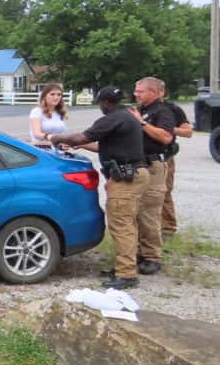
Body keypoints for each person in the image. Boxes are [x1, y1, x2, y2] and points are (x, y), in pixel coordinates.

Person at [50, 87, 148, 289]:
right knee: (128, 224)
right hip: (135, 174)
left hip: (126, 179)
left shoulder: (111, 119)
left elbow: (81, 137)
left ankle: (127, 274)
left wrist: (57, 138)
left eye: (100, 103)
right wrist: (81, 146)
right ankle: (125, 266)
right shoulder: (126, 117)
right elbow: (104, 145)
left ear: (105, 102)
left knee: (121, 226)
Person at [129, 77, 175, 276]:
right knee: (137, 211)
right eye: (136, 91)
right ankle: (140, 252)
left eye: (140, 91)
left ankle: (152, 257)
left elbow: (166, 137)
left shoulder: (162, 111)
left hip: (154, 166)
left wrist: (140, 123)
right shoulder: (144, 110)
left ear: (155, 92)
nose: (136, 94)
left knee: (149, 212)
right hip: (141, 164)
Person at [159, 81, 193, 240]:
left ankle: (168, 228)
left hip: (165, 157)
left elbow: (188, 132)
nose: (137, 94)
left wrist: (166, 129)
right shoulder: (139, 110)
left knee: (164, 192)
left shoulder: (172, 109)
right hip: (144, 157)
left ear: (161, 92)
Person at [29, 84, 67, 149]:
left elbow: (60, 134)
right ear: (44, 96)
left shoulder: (59, 113)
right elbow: (37, 134)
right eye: (52, 94)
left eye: (59, 94)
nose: (56, 97)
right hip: (41, 149)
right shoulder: (37, 111)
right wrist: (52, 138)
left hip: (58, 149)